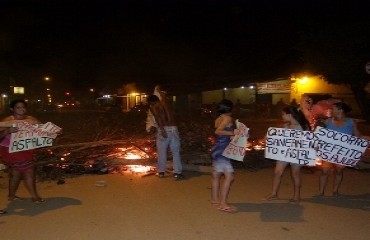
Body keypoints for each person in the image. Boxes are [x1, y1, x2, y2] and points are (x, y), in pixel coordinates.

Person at [0, 99, 44, 203]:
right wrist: (7, 131)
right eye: (18, 107)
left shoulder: (31, 119)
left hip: (25, 148)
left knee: (16, 173)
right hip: (10, 149)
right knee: (28, 170)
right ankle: (35, 196)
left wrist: (55, 131)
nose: (21, 109)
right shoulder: (7, 121)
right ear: (12, 109)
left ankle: (11, 196)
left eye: (23, 107)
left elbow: (43, 129)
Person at [263, 106, 310, 203]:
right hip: (284, 153)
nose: (282, 116)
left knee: (295, 174)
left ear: (289, 115)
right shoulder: (286, 126)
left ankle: (296, 195)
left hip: (296, 154)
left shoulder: (302, 127)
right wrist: (269, 137)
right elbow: (279, 138)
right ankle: (274, 193)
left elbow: (308, 141)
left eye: (283, 114)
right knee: (277, 172)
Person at [315, 102, 363, 197]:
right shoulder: (327, 121)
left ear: (340, 110)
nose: (331, 111)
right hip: (328, 151)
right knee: (324, 171)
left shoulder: (350, 122)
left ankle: (335, 190)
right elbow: (321, 134)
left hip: (342, 152)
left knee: (339, 171)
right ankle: (321, 192)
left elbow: (357, 136)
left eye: (333, 109)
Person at [146, 94, 184, 180]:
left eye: (150, 103)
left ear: (152, 102)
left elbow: (158, 118)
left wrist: (162, 130)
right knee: (176, 153)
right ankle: (177, 173)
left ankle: (161, 172)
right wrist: (159, 90)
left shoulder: (153, 107)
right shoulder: (165, 103)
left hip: (163, 129)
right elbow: (163, 97)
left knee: (162, 152)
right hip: (174, 129)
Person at [210, 99, 239, 212]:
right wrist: (233, 132)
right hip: (223, 151)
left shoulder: (218, 118)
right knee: (229, 177)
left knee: (216, 175)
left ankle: (215, 199)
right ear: (229, 108)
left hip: (218, 148)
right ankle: (223, 204)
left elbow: (221, 134)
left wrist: (232, 135)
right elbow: (218, 131)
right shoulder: (227, 118)